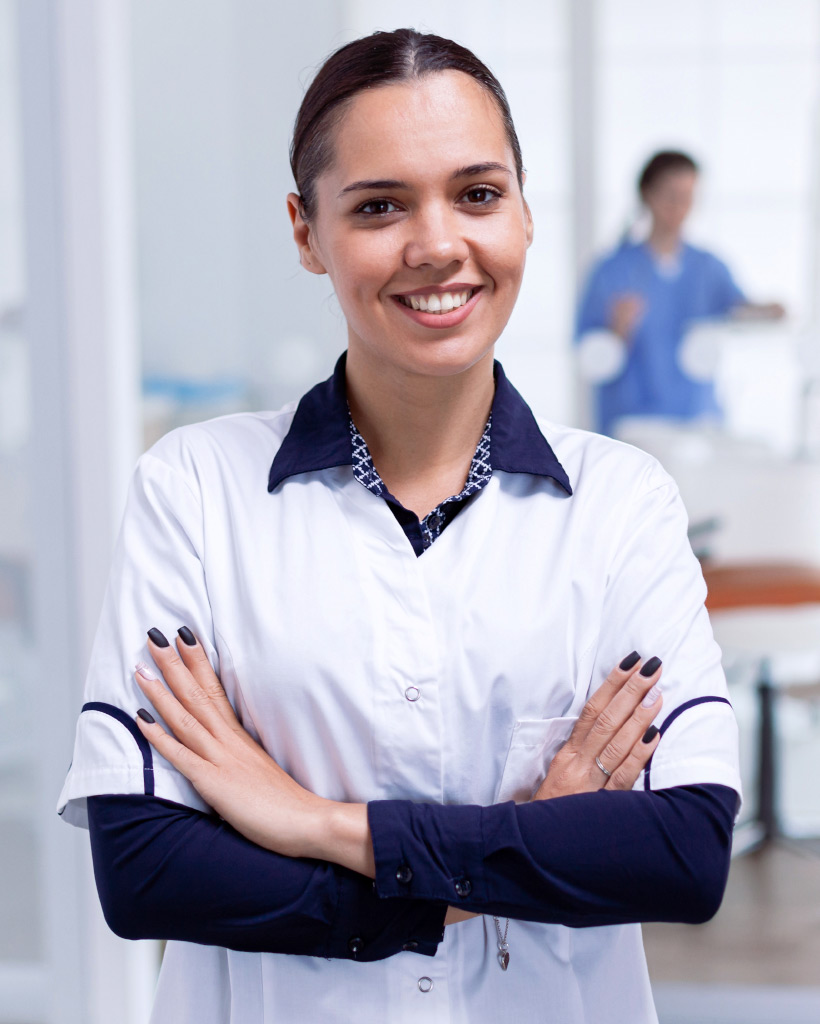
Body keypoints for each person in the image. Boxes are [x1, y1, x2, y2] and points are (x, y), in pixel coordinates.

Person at [58, 30, 741, 1024]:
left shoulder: (620, 502)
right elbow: (147, 869)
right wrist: (517, 845)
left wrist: (311, 821)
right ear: (305, 231)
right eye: (379, 205)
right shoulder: (194, 489)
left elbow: (680, 853)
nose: (436, 244)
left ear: (523, 211)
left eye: (476, 194)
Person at [576, 149, 785, 436]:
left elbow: (738, 311)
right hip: (633, 423)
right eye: (671, 195)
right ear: (647, 195)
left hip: (698, 420)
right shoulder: (612, 271)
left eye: (688, 196)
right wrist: (617, 331)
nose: (680, 206)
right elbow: (589, 357)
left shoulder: (708, 267)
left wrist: (767, 311)